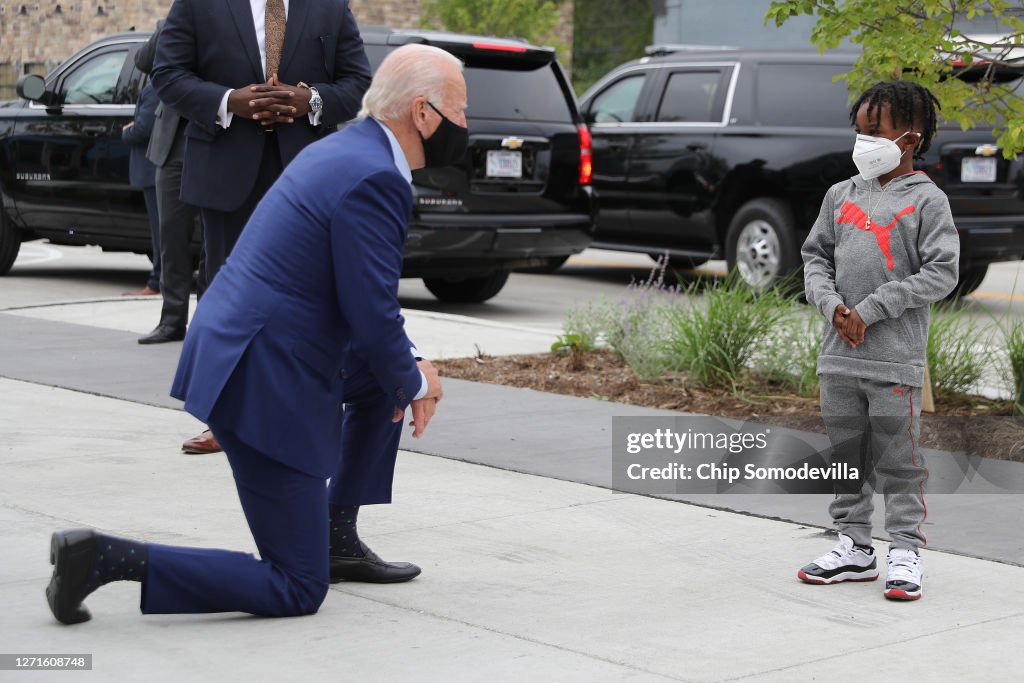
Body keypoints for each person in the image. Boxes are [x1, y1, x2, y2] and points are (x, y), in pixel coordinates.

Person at [44, 43, 464, 624]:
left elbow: (356, 293)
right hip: (262, 376)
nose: (466, 126)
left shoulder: (349, 150)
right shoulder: (374, 177)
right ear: (423, 113)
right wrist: (415, 382)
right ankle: (104, 558)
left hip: (254, 345)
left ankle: (335, 536)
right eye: (460, 113)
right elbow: (369, 307)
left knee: (381, 384)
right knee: (296, 586)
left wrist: (406, 372)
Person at [150, 0, 373, 453]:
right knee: (227, 297)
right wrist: (229, 101)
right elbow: (168, 74)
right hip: (225, 171)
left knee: (308, 296)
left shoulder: (329, 6)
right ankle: (224, 418)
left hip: (306, 172)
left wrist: (310, 101)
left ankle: (295, 413)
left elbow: (357, 82)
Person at [798, 80, 960, 601]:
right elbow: (815, 257)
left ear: (909, 137)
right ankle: (854, 545)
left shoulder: (927, 201)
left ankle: (906, 550)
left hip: (894, 362)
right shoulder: (839, 195)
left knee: (899, 460)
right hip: (839, 357)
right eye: (861, 131)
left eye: (876, 132)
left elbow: (942, 273)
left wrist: (869, 310)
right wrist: (833, 306)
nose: (864, 141)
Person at [135, 22, 203, 347]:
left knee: (215, 241)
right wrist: (173, 18)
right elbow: (144, 61)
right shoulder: (175, 20)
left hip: (217, 138)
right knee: (171, 236)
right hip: (173, 141)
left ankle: (209, 320)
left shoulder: (234, 18)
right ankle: (172, 320)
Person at [120, 75, 161, 298]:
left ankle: (157, 282)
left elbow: (144, 128)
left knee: (161, 232)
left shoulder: (154, 86)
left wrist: (127, 131)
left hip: (153, 169)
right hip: (155, 170)